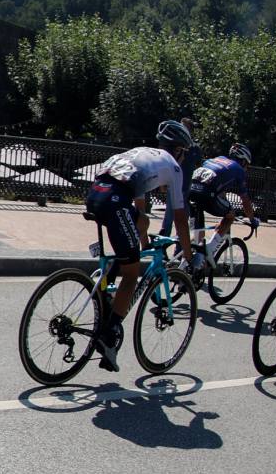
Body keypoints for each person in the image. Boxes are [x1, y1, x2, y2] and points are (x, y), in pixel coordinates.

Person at [83, 120, 197, 373]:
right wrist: (187, 254)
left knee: (139, 227)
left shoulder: (142, 153)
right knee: (132, 274)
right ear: (179, 150)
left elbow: (140, 207)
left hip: (96, 194)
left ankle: (106, 282)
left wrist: (143, 241)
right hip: (114, 201)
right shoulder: (174, 167)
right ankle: (109, 333)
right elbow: (179, 216)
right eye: (184, 154)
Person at [186, 143, 259, 265]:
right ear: (243, 161)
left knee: (198, 236)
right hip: (207, 195)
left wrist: (226, 203)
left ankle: (186, 265)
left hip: (191, 192)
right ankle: (210, 248)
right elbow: (245, 200)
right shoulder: (238, 169)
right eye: (247, 165)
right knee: (230, 215)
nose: (246, 168)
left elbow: (220, 189)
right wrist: (252, 220)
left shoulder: (216, 159)